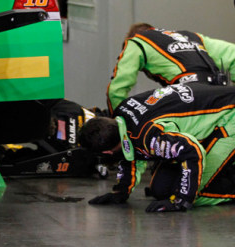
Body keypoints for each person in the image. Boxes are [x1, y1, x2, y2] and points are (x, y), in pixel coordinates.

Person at [80, 83, 235, 212]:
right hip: (215, 108)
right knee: (161, 189)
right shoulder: (121, 113)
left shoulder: (148, 136)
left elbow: (192, 151)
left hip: (230, 117)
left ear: (106, 152)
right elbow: (130, 152)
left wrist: (181, 201)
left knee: (192, 193)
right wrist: (121, 191)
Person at [107, 23, 235, 113]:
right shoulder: (191, 36)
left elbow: (116, 90)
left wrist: (120, 121)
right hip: (221, 92)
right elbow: (232, 54)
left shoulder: (136, 42)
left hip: (189, 96)